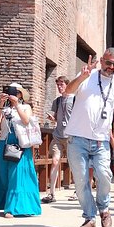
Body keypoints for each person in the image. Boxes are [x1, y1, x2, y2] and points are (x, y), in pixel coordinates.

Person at [63, 48, 114, 227]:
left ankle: (104, 209)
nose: (111, 67)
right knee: (81, 181)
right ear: (102, 60)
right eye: (108, 62)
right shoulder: (88, 75)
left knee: (105, 176)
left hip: (101, 140)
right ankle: (90, 217)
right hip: (77, 137)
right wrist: (81, 77)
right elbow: (67, 91)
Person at [0, 83, 42, 218]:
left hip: (20, 144)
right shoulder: (5, 109)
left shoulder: (26, 107)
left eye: (15, 92)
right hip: (4, 143)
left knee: (17, 175)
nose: (12, 94)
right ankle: (4, 203)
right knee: (3, 173)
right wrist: (1, 103)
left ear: (20, 94)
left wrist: (17, 105)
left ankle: (12, 208)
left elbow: (26, 120)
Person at [41, 76, 75, 204]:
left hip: (71, 136)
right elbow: (56, 117)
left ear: (68, 85)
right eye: (58, 85)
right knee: (55, 161)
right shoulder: (57, 101)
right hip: (58, 135)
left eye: (62, 84)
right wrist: (52, 118)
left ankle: (78, 191)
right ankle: (52, 193)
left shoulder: (75, 100)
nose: (60, 87)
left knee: (74, 164)